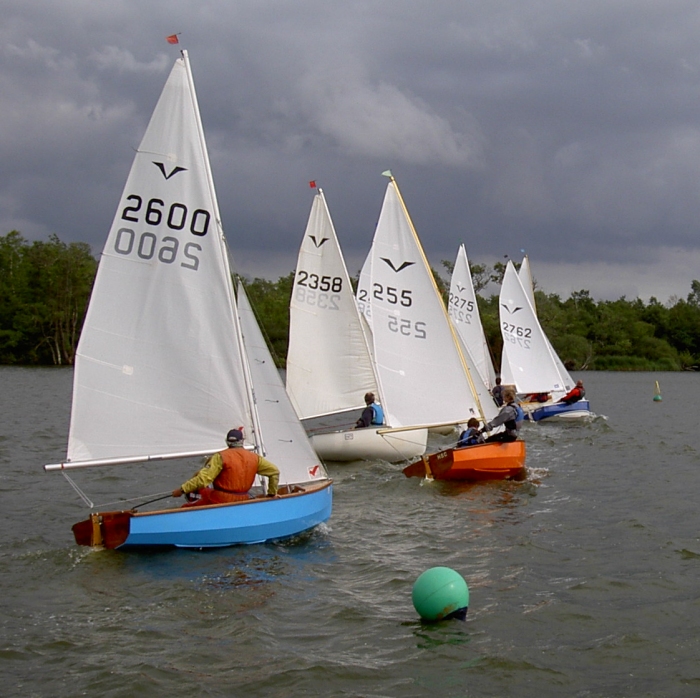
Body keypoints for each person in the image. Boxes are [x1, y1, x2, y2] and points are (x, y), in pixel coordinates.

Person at [171, 428, 280, 506]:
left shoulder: (220, 457)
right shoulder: (255, 458)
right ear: (241, 441)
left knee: (186, 507)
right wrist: (271, 494)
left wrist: (182, 490)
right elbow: (274, 472)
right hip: (243, 500)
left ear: (227, 442)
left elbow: (203, 479)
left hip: (221, 500)